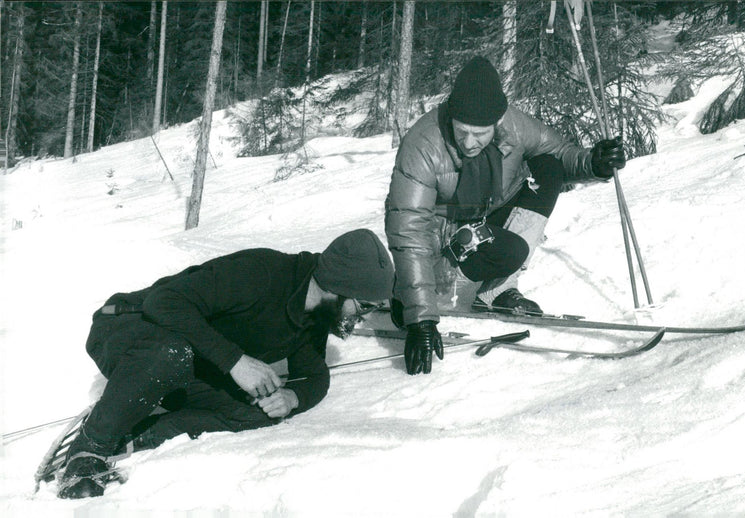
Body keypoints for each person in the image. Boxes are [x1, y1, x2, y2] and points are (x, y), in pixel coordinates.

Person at [57, 229, 394, 499]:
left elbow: (315, 375)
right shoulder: (262, 272)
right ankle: (88, 449)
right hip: (127, 326)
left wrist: (292, 398)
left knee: (254, 414)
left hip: (186, 360)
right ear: (338, 286)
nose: (362, 319)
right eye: (363, 307)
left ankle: (136, 432)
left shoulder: (314, 316)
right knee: (170, 353)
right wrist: (235, 362)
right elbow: (164, 303)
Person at [385, 56, 626, 375]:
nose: (470, 142)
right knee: (408, 310)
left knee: (548, 167)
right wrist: (421, 319)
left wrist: (593, 163)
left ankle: (498, 290)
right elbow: (408, 228)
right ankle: (415, 292)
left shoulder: (514, 124)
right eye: (462, 132)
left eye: (480, 133)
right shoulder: (423, 143)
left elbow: (559, 153)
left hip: (480, 222)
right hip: (439, 239)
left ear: (497, 122)